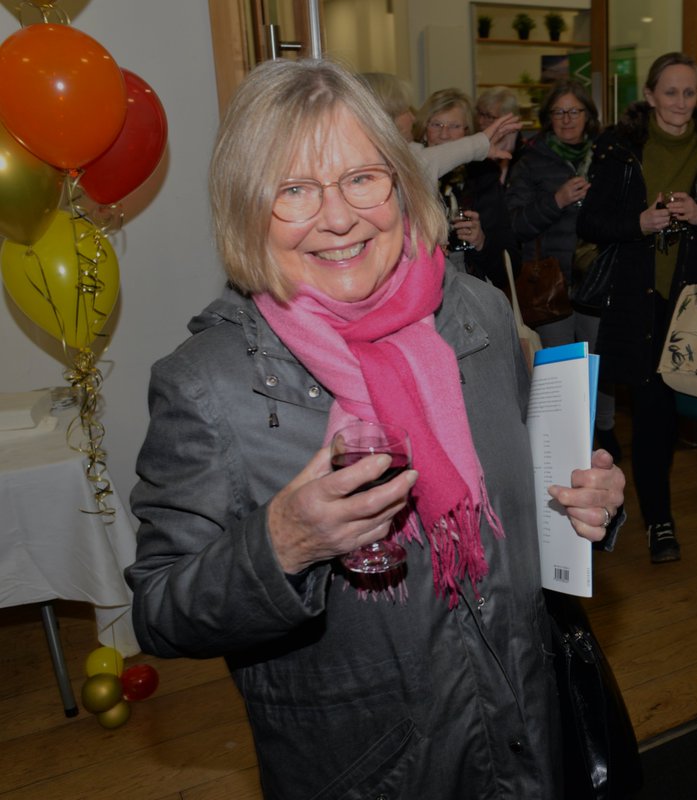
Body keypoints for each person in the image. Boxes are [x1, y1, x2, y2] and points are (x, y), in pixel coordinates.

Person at [125, 58, 626, 799]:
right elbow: (161, 611)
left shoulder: (479, 316)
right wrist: (282, 543)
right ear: (246, 209)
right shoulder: (209, 384)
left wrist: (591, 501)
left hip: (527, 728)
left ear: (402, 183)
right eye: (294, 190)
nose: (338, 218)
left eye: (362, 178)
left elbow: (538, 487)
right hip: (374, 774)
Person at [577, 52, 697, 563]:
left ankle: (657, 513)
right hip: (639, 301)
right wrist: (639, 224)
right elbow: (591, 223)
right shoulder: (619, 148)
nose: (681, 102)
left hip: (692, 305)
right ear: (649, 95)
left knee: (666, 417)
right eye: (670, 92)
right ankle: (660, 520)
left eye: (690, 92)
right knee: (651, 412)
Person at [506, 81, 620, 457]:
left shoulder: (608, 156)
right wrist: (556, 200)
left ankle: (605, 428)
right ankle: (571, 443)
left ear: (589, 116)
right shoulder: (531, 161)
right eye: (559, 112)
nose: (567, 119)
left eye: (574, 111)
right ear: (548, 118)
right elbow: (515, 225)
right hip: (549, 283)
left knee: (600, 363)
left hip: (598, 277)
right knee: (562, 371)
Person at [415, 87, 518, 288]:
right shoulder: (411, 176)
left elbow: (511, 265)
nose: (444, 134)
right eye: (436, 124)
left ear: (467, 133)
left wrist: (481, 242)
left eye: (454, 126)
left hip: (472, 292)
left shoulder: (482, 177)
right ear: (424, 130)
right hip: (421, 289)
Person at [358, 71, 522, 193]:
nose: (413, 118)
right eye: (405, 110)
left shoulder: (398, 156)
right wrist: (480, 143)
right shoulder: (372, 165)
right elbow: (427, 162)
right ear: (385, 118)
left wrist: (480, 144)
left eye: (455, 126)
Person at [476, 86, 524, 185]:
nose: (480, 121)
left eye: (489, 116)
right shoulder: (475, 143)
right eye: (480, 113)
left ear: (509, 119)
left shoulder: (523, 152)